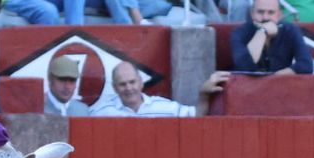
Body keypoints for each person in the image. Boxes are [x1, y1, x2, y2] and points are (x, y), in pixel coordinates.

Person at [92, 59, 229, 115]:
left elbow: (197, 116)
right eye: (122, 84)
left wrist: (203, 94)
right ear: (115, 88)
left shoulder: (164, 107)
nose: (128, 88)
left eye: (132, 82)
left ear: (141, 82)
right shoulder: (101, 112)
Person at [232, 0, 314, 71]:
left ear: (279, 15)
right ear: (252, 13)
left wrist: (274, 77)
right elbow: (244, 66)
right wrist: (262, 32)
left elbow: (306, 65)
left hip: (280, 84)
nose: (265, 17)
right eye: (260, 12)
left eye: (271, 12)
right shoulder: (240, 32)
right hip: (247, 85)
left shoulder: (290, 30)